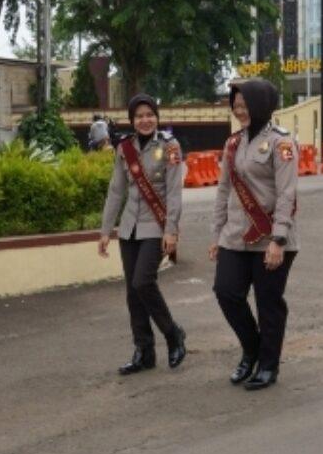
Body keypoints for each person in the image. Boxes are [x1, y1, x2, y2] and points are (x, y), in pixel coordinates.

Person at [209, 78, 299, 391]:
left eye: (245, 106)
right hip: (234, 235)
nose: (240, 112)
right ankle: (252, 350)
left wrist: (278, 240)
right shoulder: (232, 143)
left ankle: (268, 365)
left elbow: (287, 194)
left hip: (271, 236)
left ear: (261, 105)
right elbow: (223, 190)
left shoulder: (281, 142)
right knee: (226, 292)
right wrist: (216, 233)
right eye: (235, 107)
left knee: (268, 303)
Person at [99, 94, 187, 374]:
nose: (145, 120)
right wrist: (105, 231)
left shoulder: (170, 146)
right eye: (139, 116)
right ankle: (144, 352)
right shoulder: (124, 148)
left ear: (157, 117)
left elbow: (174, 192)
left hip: (156, 226)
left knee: (142, 282)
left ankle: (173, 334)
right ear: (132, 120)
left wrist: (171, 230)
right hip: (129, 228)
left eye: (150, 114)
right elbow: (116, 191)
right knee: (132, 293)